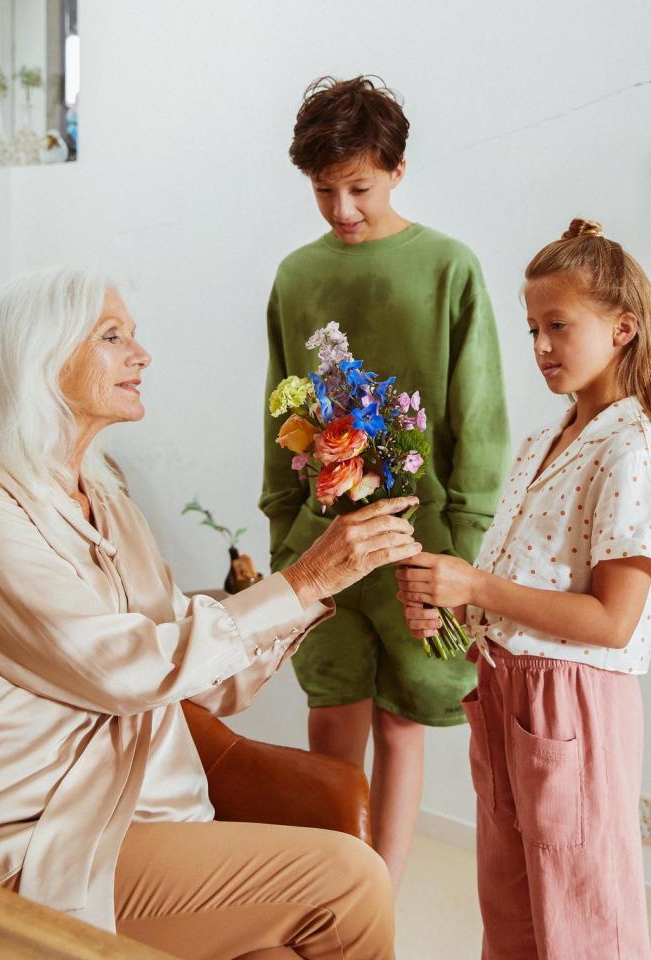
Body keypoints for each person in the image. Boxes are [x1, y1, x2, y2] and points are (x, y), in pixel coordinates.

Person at [0, 267, 422, 960]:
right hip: (35, 831)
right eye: (113, 337)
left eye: (133, 335)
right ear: (44, 358)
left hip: (149, 816)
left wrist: (314, 588)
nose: (142, 354)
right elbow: (122, 668)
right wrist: (301, 578)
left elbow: (206, 682)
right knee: (350, 880)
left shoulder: (109, 504)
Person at [260, 75, 510, 891]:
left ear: (397, 169)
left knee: (405, 725)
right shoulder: (296, 276)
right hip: (319, 545)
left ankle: (378, 910)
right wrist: (283, 546)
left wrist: (461, 559)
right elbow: (279, 420)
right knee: (330, 717)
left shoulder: (448, 268)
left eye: (358, 187)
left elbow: (477, 426)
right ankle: (326, 900)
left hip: (420, 545)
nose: (340, 209)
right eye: (322, 190)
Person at [397, 219, 651, 958]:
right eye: (532, 327)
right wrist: (456, 601)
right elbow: (518, 580)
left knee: (581, 917)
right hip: (508, 688)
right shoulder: (546, 440)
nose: (539, 346)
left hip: (572, 701)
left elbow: (612, 621)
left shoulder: (632, 450)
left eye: (558, 326)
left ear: (623, 328)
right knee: (512, 910)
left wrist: (474, 583)